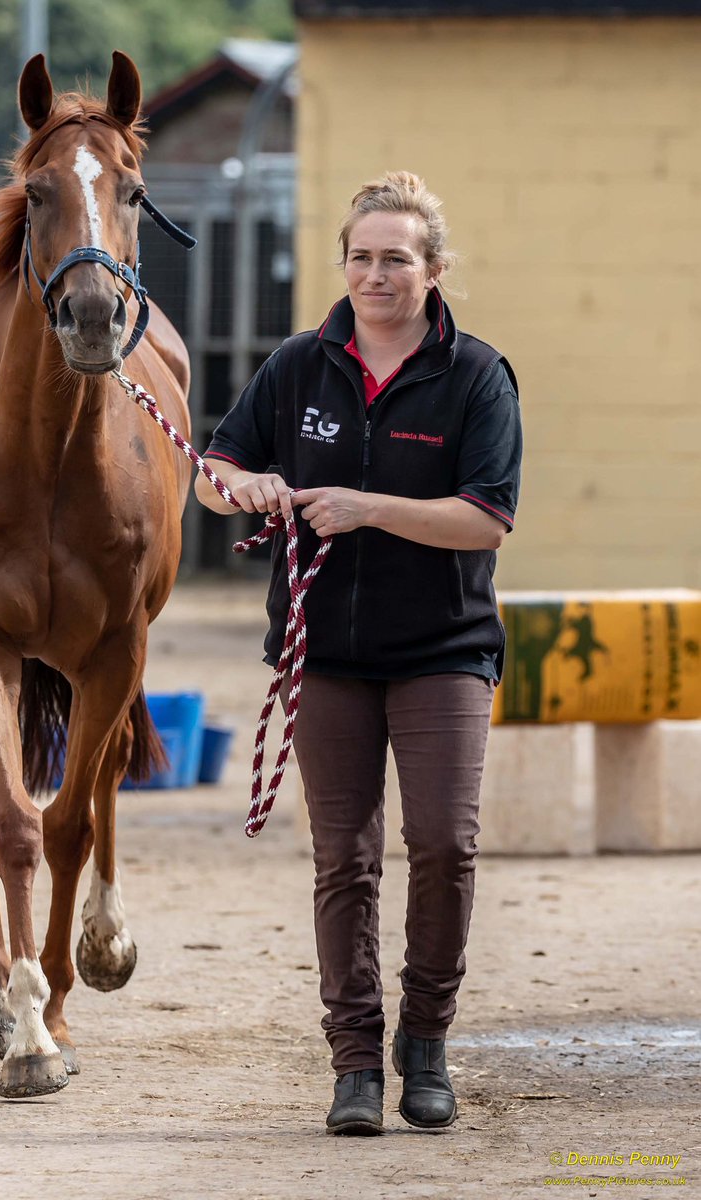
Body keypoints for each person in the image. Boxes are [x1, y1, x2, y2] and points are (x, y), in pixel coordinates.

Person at [195, 172, 522, 1136]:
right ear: (343, 263)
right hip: (323, 654)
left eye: (397, 258)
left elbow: (485, 522)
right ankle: (353, 1064)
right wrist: (244, 485)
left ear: (433, 269)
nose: (375, 274)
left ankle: (425, 1041)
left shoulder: (476, 376)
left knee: (446, 846)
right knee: (343, 857)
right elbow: (212, 469)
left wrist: (364, 507)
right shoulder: (299, 363)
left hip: (443, 651)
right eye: (361, 256)